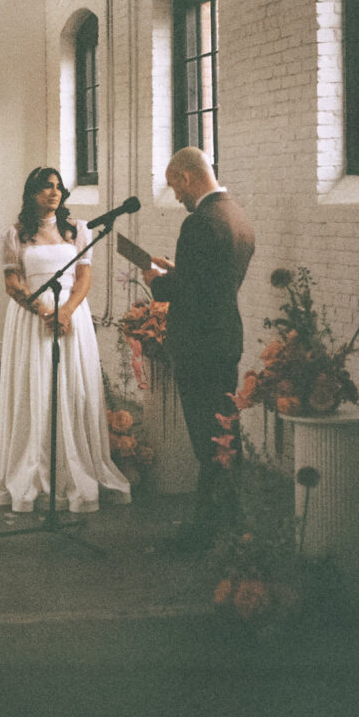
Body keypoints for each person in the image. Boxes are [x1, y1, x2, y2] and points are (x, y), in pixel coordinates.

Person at [0, 167, 131, 513]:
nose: (54, 193)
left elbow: (84, 278)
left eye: (58, 187)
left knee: (72, 389)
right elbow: (12, 284)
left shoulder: (79, 230)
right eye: (46, 187)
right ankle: (32, 467)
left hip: (72, 318)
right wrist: (44, 312)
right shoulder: (14, 235)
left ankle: (74, 467)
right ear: (32, 193)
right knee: (35, 389)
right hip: (31, 320)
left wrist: (66, 311)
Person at [143, 147, 255, 551]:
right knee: (223, 433)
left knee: (207, 441)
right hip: (224, 337)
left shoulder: (198, 223)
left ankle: (207, 531)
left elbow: (189, 293)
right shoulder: (236, 216)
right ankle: (230, 518)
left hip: (199, 345)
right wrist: (180, 270)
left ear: (187, 177)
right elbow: (210, 280)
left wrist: (156, 280)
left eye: (175, 186)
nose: (176, 196)